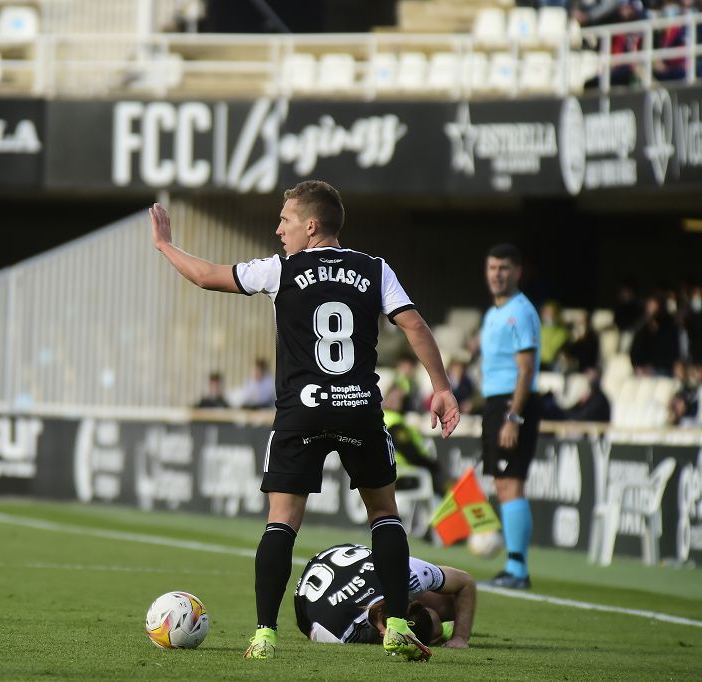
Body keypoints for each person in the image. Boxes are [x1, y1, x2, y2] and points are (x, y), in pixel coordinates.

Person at [150, 180, 460, 662]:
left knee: (282, 522)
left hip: (302, 410)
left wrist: (165, 246)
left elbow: (208, 275)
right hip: (359, 405)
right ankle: (397, 625)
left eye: (286, 220)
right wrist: (440, 387)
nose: (278, 230)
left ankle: (265, 636)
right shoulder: (375, 269)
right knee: (383, 513)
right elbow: (415, 324)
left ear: (311, 226)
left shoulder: (281, 270)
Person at [478, 244, 542, 590]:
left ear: (518, 271)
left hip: (513, 405)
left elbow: (527, 367)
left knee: (511, 482)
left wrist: (513, 417)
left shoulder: (521, 312)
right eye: (492, 268)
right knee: (503, 485)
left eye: (504, 268)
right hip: (496, 403)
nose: (497, 274)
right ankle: (513, 566)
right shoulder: (494, 313)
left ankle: (518, 569)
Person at [293, 543, 476, 649]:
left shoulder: (409, 574)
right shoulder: (341, 632)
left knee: (450, 604)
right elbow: (310, 629)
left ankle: (437, 628)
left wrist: (460, 638)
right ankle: (437, 630)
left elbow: (465, 582)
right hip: (315, 593)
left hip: (345, 560)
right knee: (432, 623)